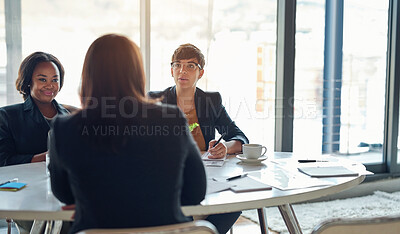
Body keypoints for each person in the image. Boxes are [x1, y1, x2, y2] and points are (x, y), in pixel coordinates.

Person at [48, 34, 207, 234]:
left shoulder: (64, 128)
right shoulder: (171, 118)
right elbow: (196, 192)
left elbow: (64, 194)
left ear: (88, 74)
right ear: (138, 73)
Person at [149, 43, 249, 234]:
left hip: (206, 175)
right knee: (180, 204)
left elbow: (239, 136)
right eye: (177, 65)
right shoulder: (156, 100)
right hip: (169, 176)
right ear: (171, 70)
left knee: (235, 203)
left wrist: (226, 147)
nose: (182, 71)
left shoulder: (210, 101)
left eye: (190, 66)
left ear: (200, 73)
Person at [0, 51, 74, 167]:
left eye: (55, 80)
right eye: (42, 79)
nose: (50, 85)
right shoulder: (6, 116)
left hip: (63, 183)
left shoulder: (71, 115)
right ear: (29, 81)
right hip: (26, 183)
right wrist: (47, 157)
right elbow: (3, 160)